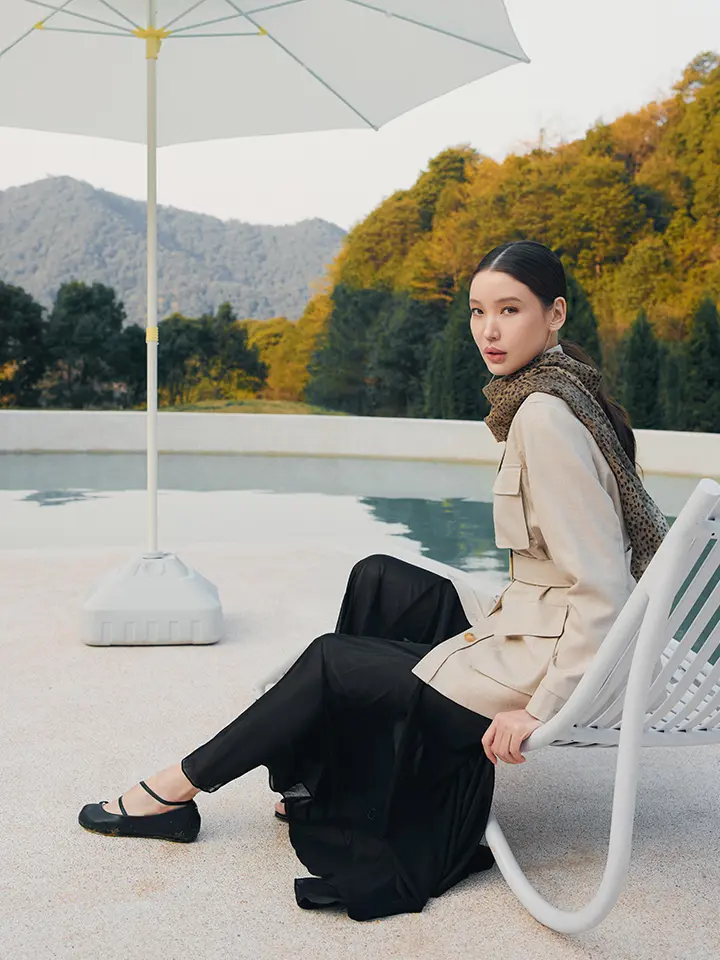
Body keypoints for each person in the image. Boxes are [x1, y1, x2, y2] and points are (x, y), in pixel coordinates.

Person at [78, 240, 669, 922]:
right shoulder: (561, 391)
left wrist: (544, 708)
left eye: (510, 310)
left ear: (555, 313)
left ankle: (173, 790)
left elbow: (601, 587)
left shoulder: (544, 415)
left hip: (547, 658)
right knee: (379, 577)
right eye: (478, 312)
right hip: (531, 622)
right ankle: (324, 782)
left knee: (332, 661)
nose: (489, 330)